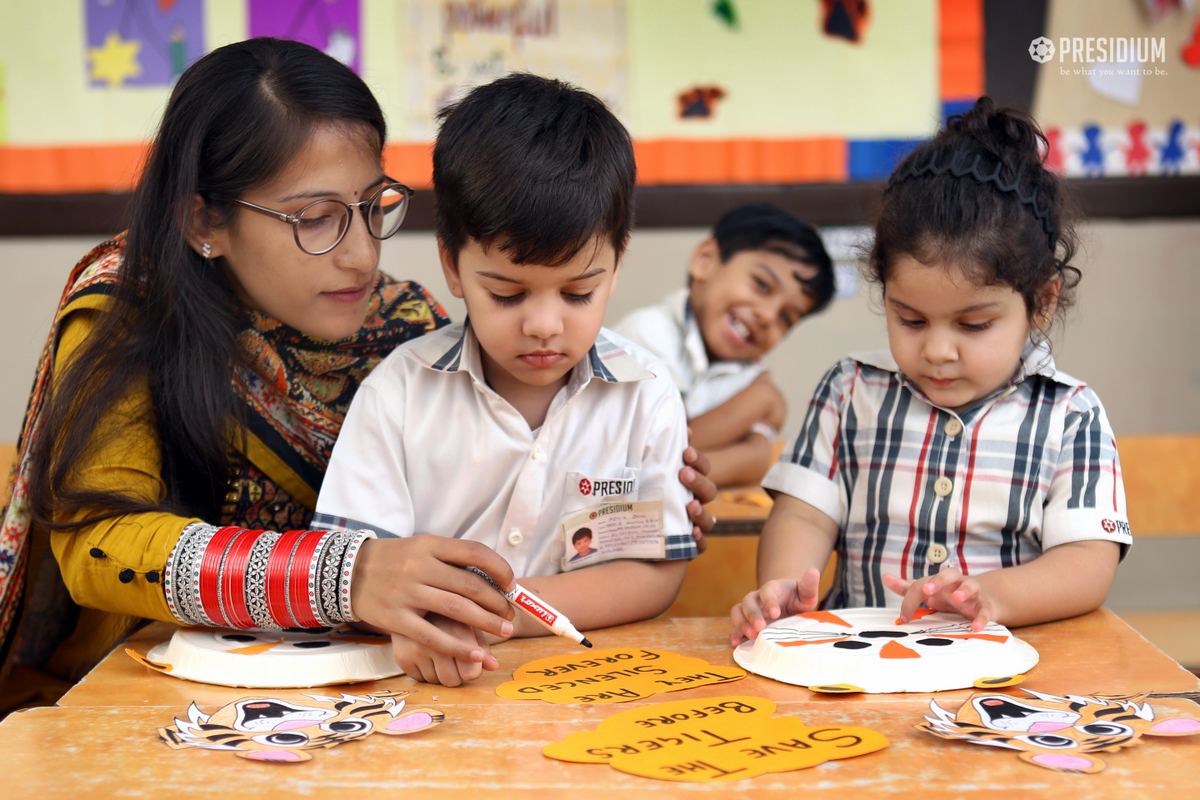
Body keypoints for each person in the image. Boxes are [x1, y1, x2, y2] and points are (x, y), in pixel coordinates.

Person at [0, 39, 717, 716]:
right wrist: (344, 574)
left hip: (361, 690)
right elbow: (102, 547)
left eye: (373, 209)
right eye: (316, 219)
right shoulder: (132, 313)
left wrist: (644, 492)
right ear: (203, 222)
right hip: (140, 686)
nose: (360, 257)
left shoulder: (404, 324)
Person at [314, 74, 700, 686]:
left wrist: (495, 612)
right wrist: (430, 616)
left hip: (586, 691)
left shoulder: (644, 392)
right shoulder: (400, 394)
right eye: (507, 293)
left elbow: (653, 575)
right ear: (452, 264)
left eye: (579, 292)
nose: (545, 326)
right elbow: (352, 572)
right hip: (429, 698)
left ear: (618, 262)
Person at [730, 97, 1132, 646]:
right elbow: (804, 517)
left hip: (1000, 670)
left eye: (973, 325)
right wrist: (783, 589)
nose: (938, 350)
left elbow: (1088, 561)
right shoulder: (851, 392)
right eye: (911, 319)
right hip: (857, 663)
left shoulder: (1070, 415)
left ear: (1041, 302)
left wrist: (994, 595)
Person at [615, 204, 834, 487]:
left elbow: (755, 462)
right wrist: (761, 401)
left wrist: (671, 469)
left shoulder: (749, 374)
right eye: (762, 285)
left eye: (785, 317)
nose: (768, 316)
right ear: (705, 260)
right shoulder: (645, 336)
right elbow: (658, 450)